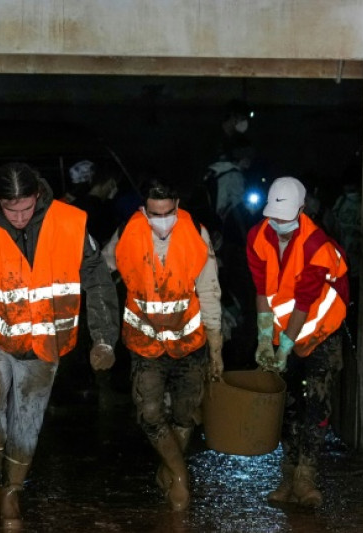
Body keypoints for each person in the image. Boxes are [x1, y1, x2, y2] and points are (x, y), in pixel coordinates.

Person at [0, 162, 119, 529]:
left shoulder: (71, 223)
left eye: (25, 208)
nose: (19, 217)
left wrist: (104, 338)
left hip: (44, 342)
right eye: (11, 209)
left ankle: (12, 495)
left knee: (27, 421)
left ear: (37, 195)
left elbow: (99, 280)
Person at [104, 179, 224, 512]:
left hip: (189, 342)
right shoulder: (127, 234)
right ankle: (181, 478)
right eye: (153, 214)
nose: (161, 222)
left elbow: (210, 289)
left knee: (185, 416)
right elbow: (101, 270)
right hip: (144, 343)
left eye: (167, 213)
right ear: (143, 208)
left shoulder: (195, 233)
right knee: (150, 413)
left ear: (178, 204)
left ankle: (168, 470)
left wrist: (216, 348)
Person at [246, 176, 349, 508]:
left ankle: (306, 476)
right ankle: (288, 475)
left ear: (303, 211)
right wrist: (265, 338)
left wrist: (287, 346)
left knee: (316, 400)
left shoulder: (317, 246)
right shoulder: (258, 237)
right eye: (274, 218)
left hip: (321, 329)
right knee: (287, 403)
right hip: (285, 330)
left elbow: (304, 302)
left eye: (287, 219)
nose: (280, 226)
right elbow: (262, 290)